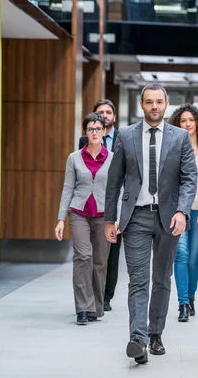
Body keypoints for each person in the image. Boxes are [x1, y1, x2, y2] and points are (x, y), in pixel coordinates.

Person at [104, 83, 197, 364]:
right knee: (138, 280)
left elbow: (190, 178)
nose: (154, 106)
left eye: (158, 102)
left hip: (169, 218)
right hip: (136, 217)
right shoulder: (127, 134)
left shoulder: (180, 137)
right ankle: (138, 339)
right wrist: (111, 218)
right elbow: (114, 179)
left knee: (161, 278)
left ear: (166, 104)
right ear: (141, 105)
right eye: (149, 102)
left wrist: (182, 211)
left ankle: (156, 333)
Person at [55, 113, 112, 325]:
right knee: (83, 257)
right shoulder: (74, 158)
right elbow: (68, 188)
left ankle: (96, 307)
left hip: (104, 216)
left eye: (98, 128)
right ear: (85, 132)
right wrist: (61, 218)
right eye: (90, 129)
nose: (94, 132)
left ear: (104, 131)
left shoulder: (113, 158)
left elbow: (117, 189)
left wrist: (116, 219)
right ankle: (82, 308)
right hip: (79, 212)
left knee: (99, 262)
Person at [167, 104, 198, 322]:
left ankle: (191, 295)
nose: (187, 124)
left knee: (193, 258)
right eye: (183, 121)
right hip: (179, 209)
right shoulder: (172, 146)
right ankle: (183, 303)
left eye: (191, 120)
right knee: (182, 254)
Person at [78, 99, 120, 313]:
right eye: (100, 112)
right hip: (86, 208)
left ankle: (106, 297)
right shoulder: (82, 143)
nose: (104, 115)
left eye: (107, 112)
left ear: (113, 117)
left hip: (110, 207)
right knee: (86, 256)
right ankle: (88, 302)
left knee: (108, 257)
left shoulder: (122, 139)